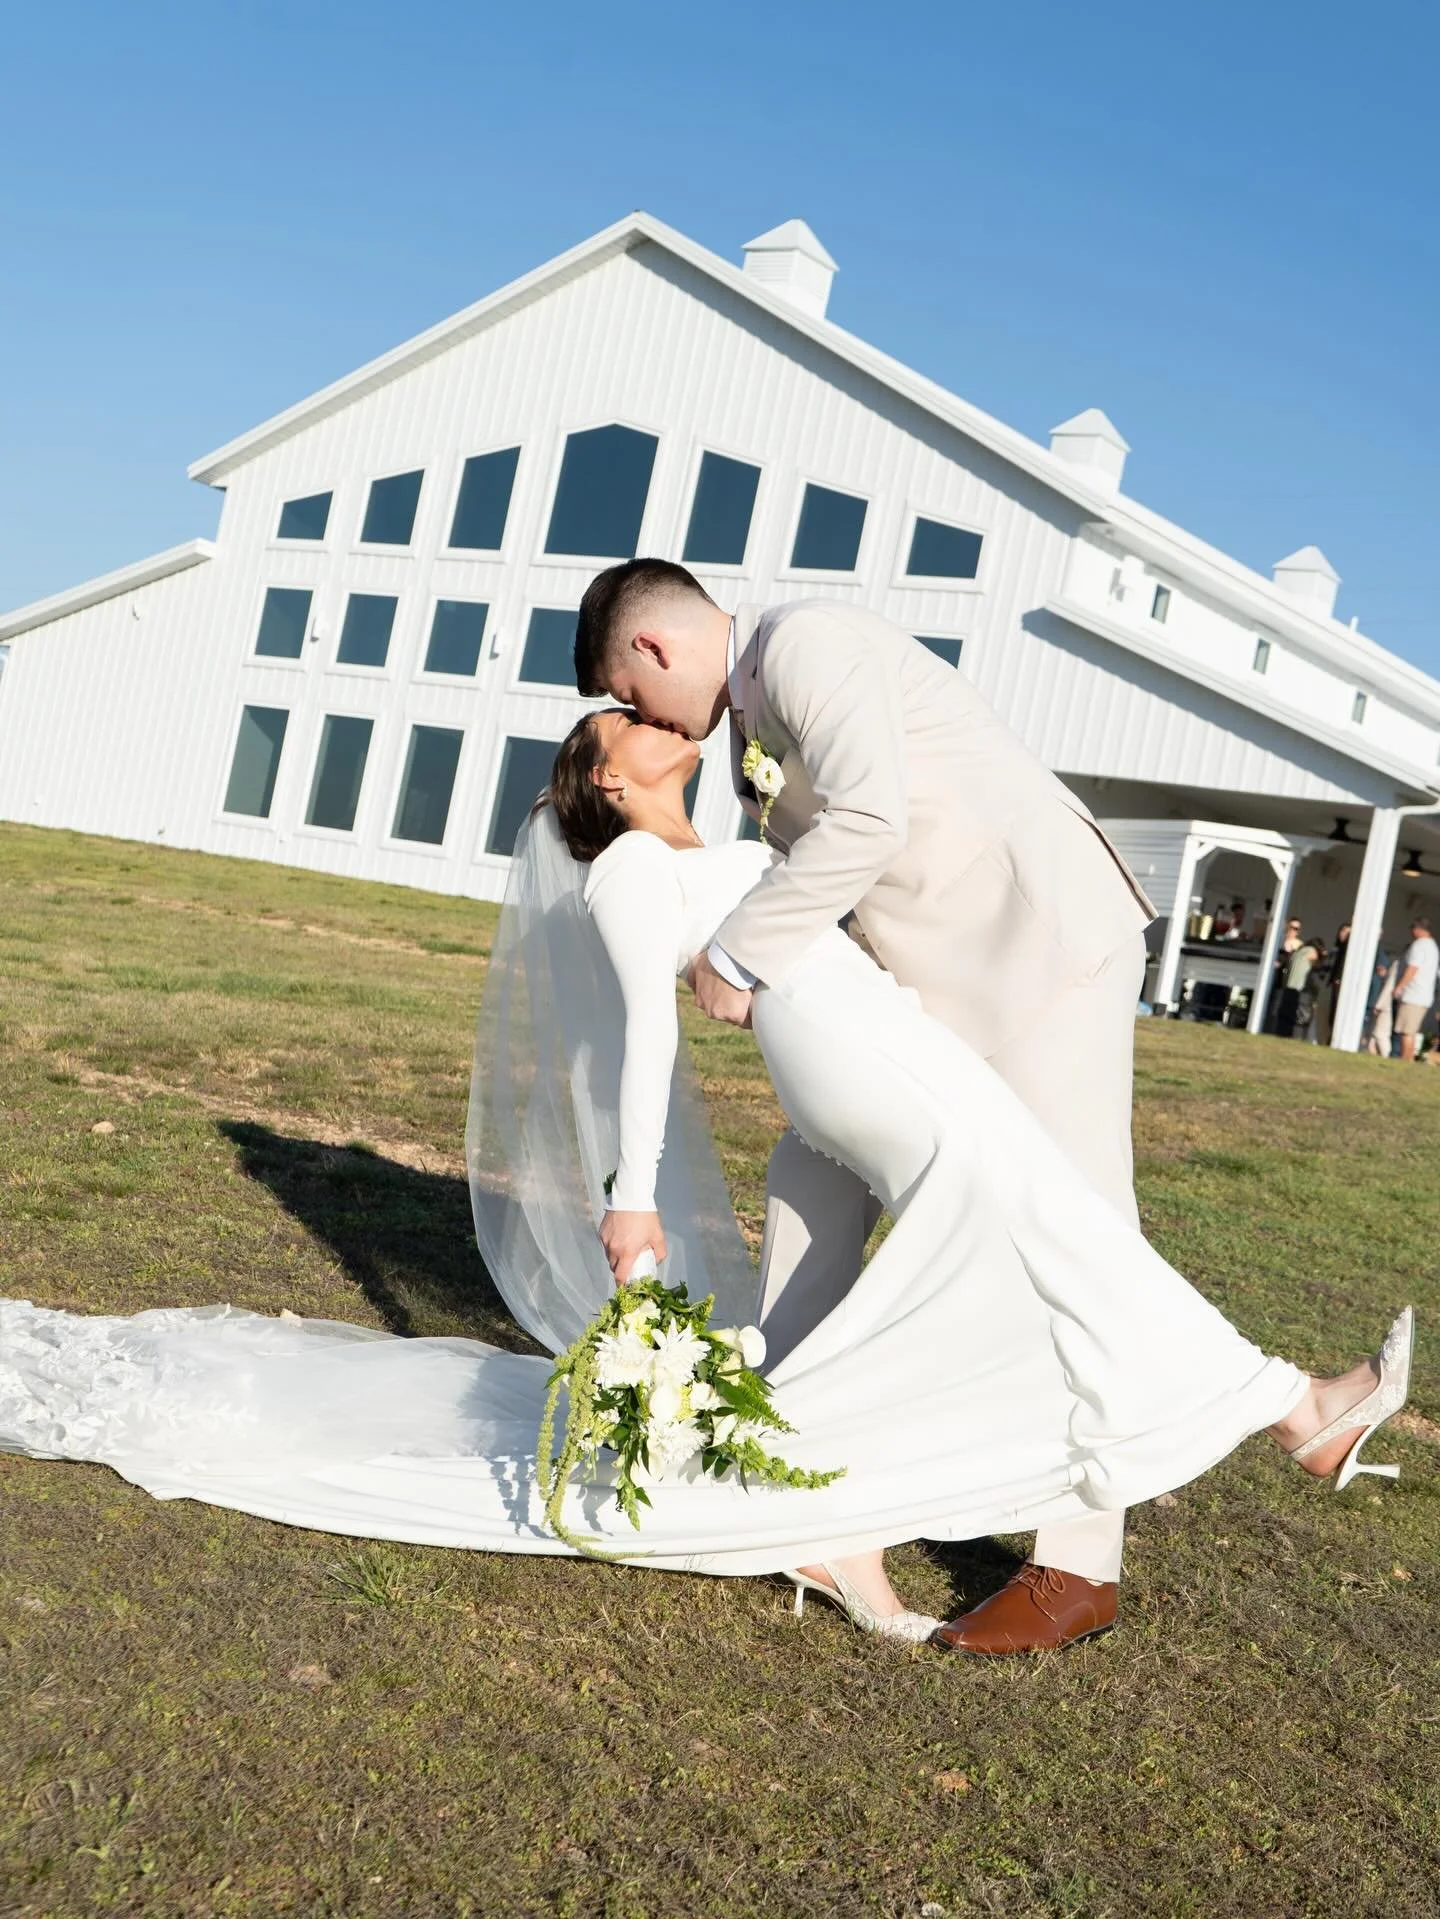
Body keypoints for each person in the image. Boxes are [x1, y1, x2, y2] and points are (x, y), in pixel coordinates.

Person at [0, 719, 1413, 1656]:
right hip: (874, 1074)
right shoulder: (624, 874)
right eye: (630, 718)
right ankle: (1290, 1403)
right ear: (606, 777)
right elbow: (647, 1033)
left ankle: (861, 1520)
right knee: (1063, 1238)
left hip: (899, 1043)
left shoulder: (723, 837)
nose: (660, 717)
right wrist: (629, 1197)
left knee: (1062, 1249)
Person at [570, 558, 1397, 1651]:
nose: (639, 716)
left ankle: (1081, 1562)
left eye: (630, 696)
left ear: (653, 651)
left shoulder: (808, 642)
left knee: (1077, 1225)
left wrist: (736, 952)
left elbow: (866, 817)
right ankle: (779, 1456)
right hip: (932, 996)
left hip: (1036, 948)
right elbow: (826, 877)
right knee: (810, 1177)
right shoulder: (746, 733)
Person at [1392, 917, 1439, 1062]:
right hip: (1425, 996)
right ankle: (1408, 1060)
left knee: (1407, 1032)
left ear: (1418, 929)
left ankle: (1406, 1060)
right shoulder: (1433, 947)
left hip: (1414, 995)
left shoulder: (1419, 945)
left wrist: (1399, 987)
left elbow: (1412, 968)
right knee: (1411, 1031)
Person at [1275, 935, 1325, 1040]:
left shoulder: (1298, 952)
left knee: (1285, 1017)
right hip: (1299, 990)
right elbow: (1316, 968)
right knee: (1299, 1020)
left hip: (1288, 987)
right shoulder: (1312, 952)